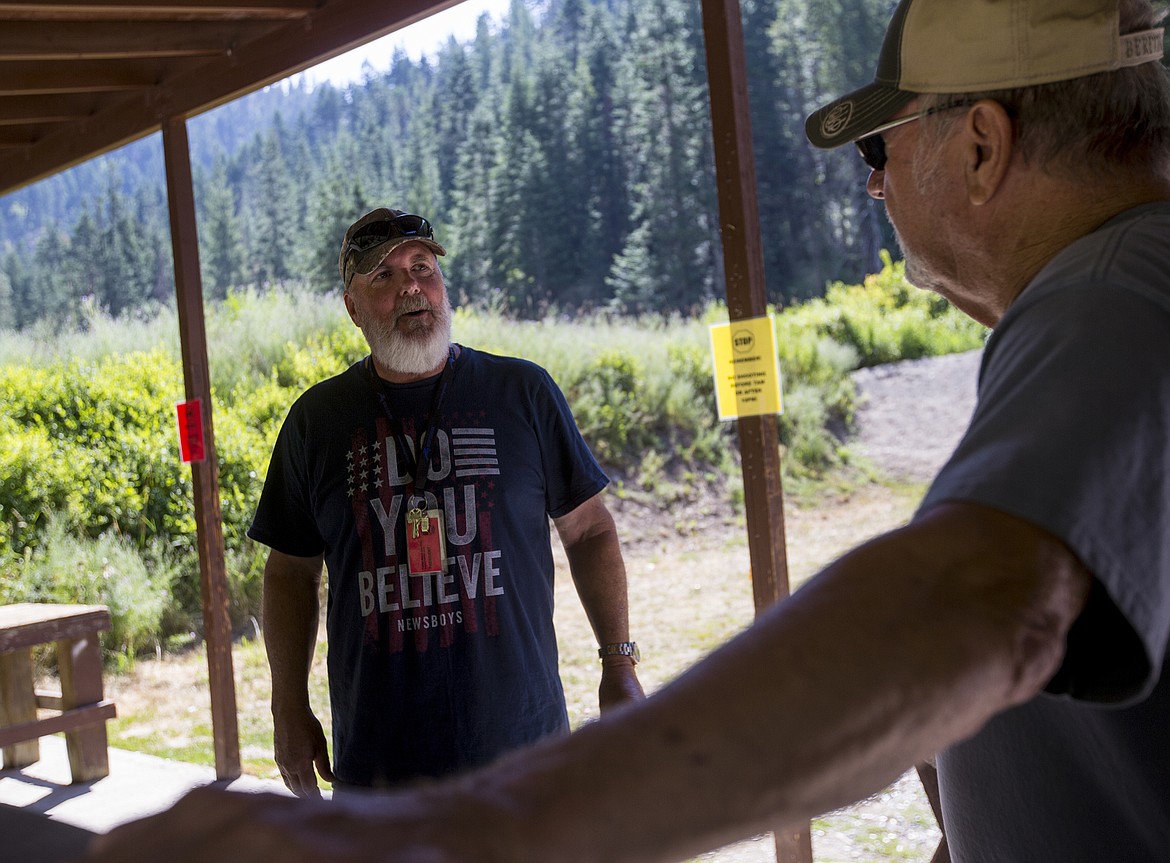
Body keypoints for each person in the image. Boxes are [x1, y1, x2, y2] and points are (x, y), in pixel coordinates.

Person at [88, 0, 1170, 860]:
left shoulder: (1114, 296)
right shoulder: (1112, 295)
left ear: (982, 145)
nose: (879, 182)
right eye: (390, 275)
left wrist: (463, 833)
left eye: (880, 147)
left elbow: (972, 597)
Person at [248, 207, 643, 795]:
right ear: (353, 308)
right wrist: (287, 706)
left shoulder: (522, 392)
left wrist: (619, 663)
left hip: (526, 756)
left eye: (422, 267)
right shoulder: (317, 421)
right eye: (383, 275)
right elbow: (288, 573)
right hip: (382, 771)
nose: (411, 284)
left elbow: (589, 530)